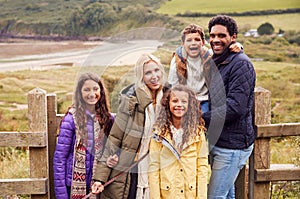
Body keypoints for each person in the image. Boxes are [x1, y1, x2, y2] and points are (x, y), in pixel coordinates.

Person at [91, 53, 169, 199]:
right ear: (141, 76)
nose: (154, 76)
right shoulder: (130, 101)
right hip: (135, 167)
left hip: (161, 165)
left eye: (156, 70)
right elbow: (114, 138)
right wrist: (99, 178)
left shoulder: (170, 98)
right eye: (148, 73)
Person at [202, 15, 256, 199]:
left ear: (233, 37)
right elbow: (185, 49)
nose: (215, 40)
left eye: (221, 35)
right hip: (219, 139)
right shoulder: (216, 60)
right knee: (227, 194)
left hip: (233, 146)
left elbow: (236, 107)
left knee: (215, 196)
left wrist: (202, 118)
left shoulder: (241, 64)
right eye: (212, 35)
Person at [53, 72, 114, 199]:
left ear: (101, 91)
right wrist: (62, 195)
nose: (92, 94)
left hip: (99, 185)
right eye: (86, 90)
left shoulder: (108, 119)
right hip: (74, 186)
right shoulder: (71, 120)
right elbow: (60, 160)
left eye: (95, 89)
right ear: (79, 93)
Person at [148, 84, 208, 199]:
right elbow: (154, 167)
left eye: (184, 101)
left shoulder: (198, 133)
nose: (179, 105)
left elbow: (202, 166)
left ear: (190, 105)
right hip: (167, 193)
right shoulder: (158, 133)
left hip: (190, 194)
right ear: (168, 103)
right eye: (175, 101)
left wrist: (201, 196)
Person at [168, 23, 243, 113]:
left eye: (197, 40)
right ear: (183, 44)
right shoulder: (178, 60)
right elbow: (174, 86)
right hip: (185, 100)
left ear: (203, 42)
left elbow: (226, 51)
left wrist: (238, 45)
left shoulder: (209, 55)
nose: (193, 43)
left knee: (204, 121)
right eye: (189, 40)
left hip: (204, 100)